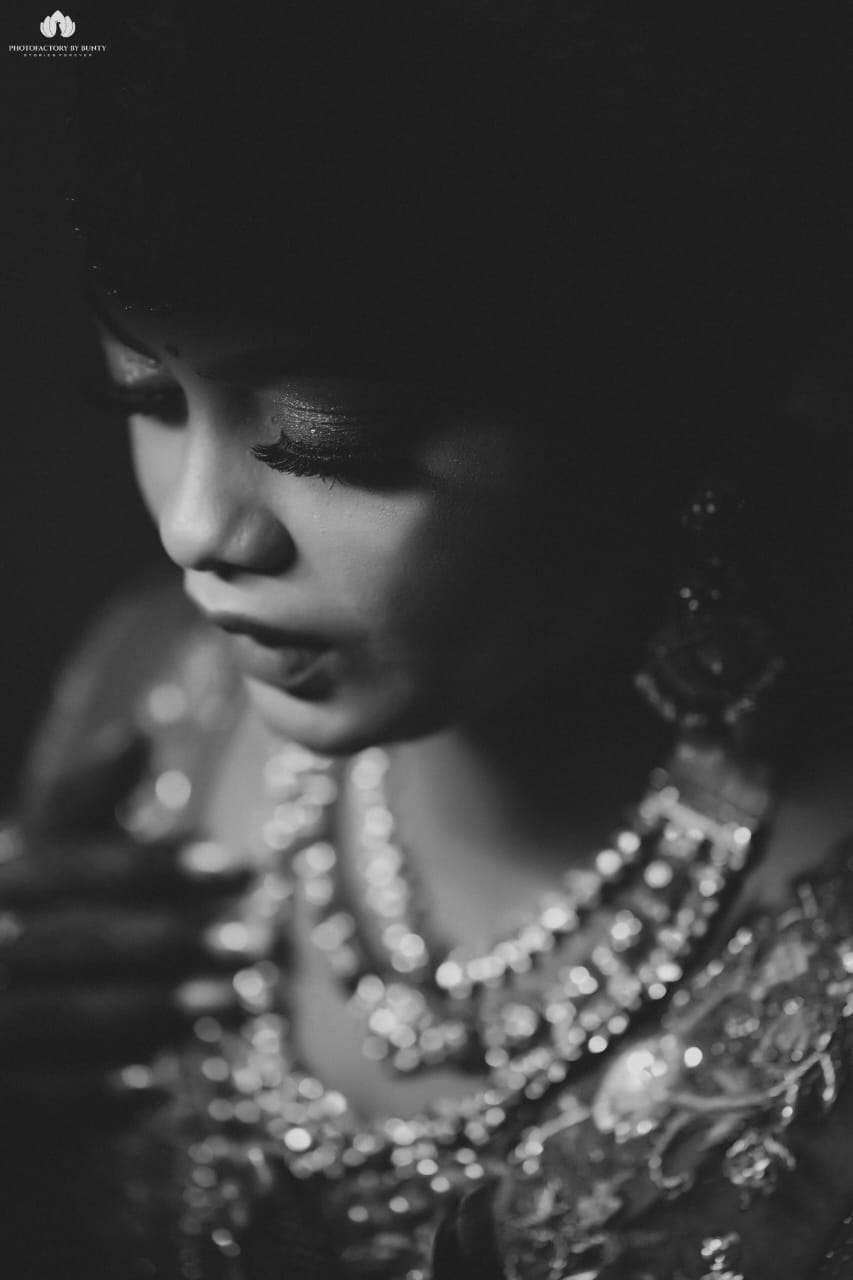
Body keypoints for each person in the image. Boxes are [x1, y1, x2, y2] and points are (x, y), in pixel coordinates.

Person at [1, 5, 852, 1278]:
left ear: (650, 411)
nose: (197, 529)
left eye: (326, 439)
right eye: (148, 399)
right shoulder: (153, 694)